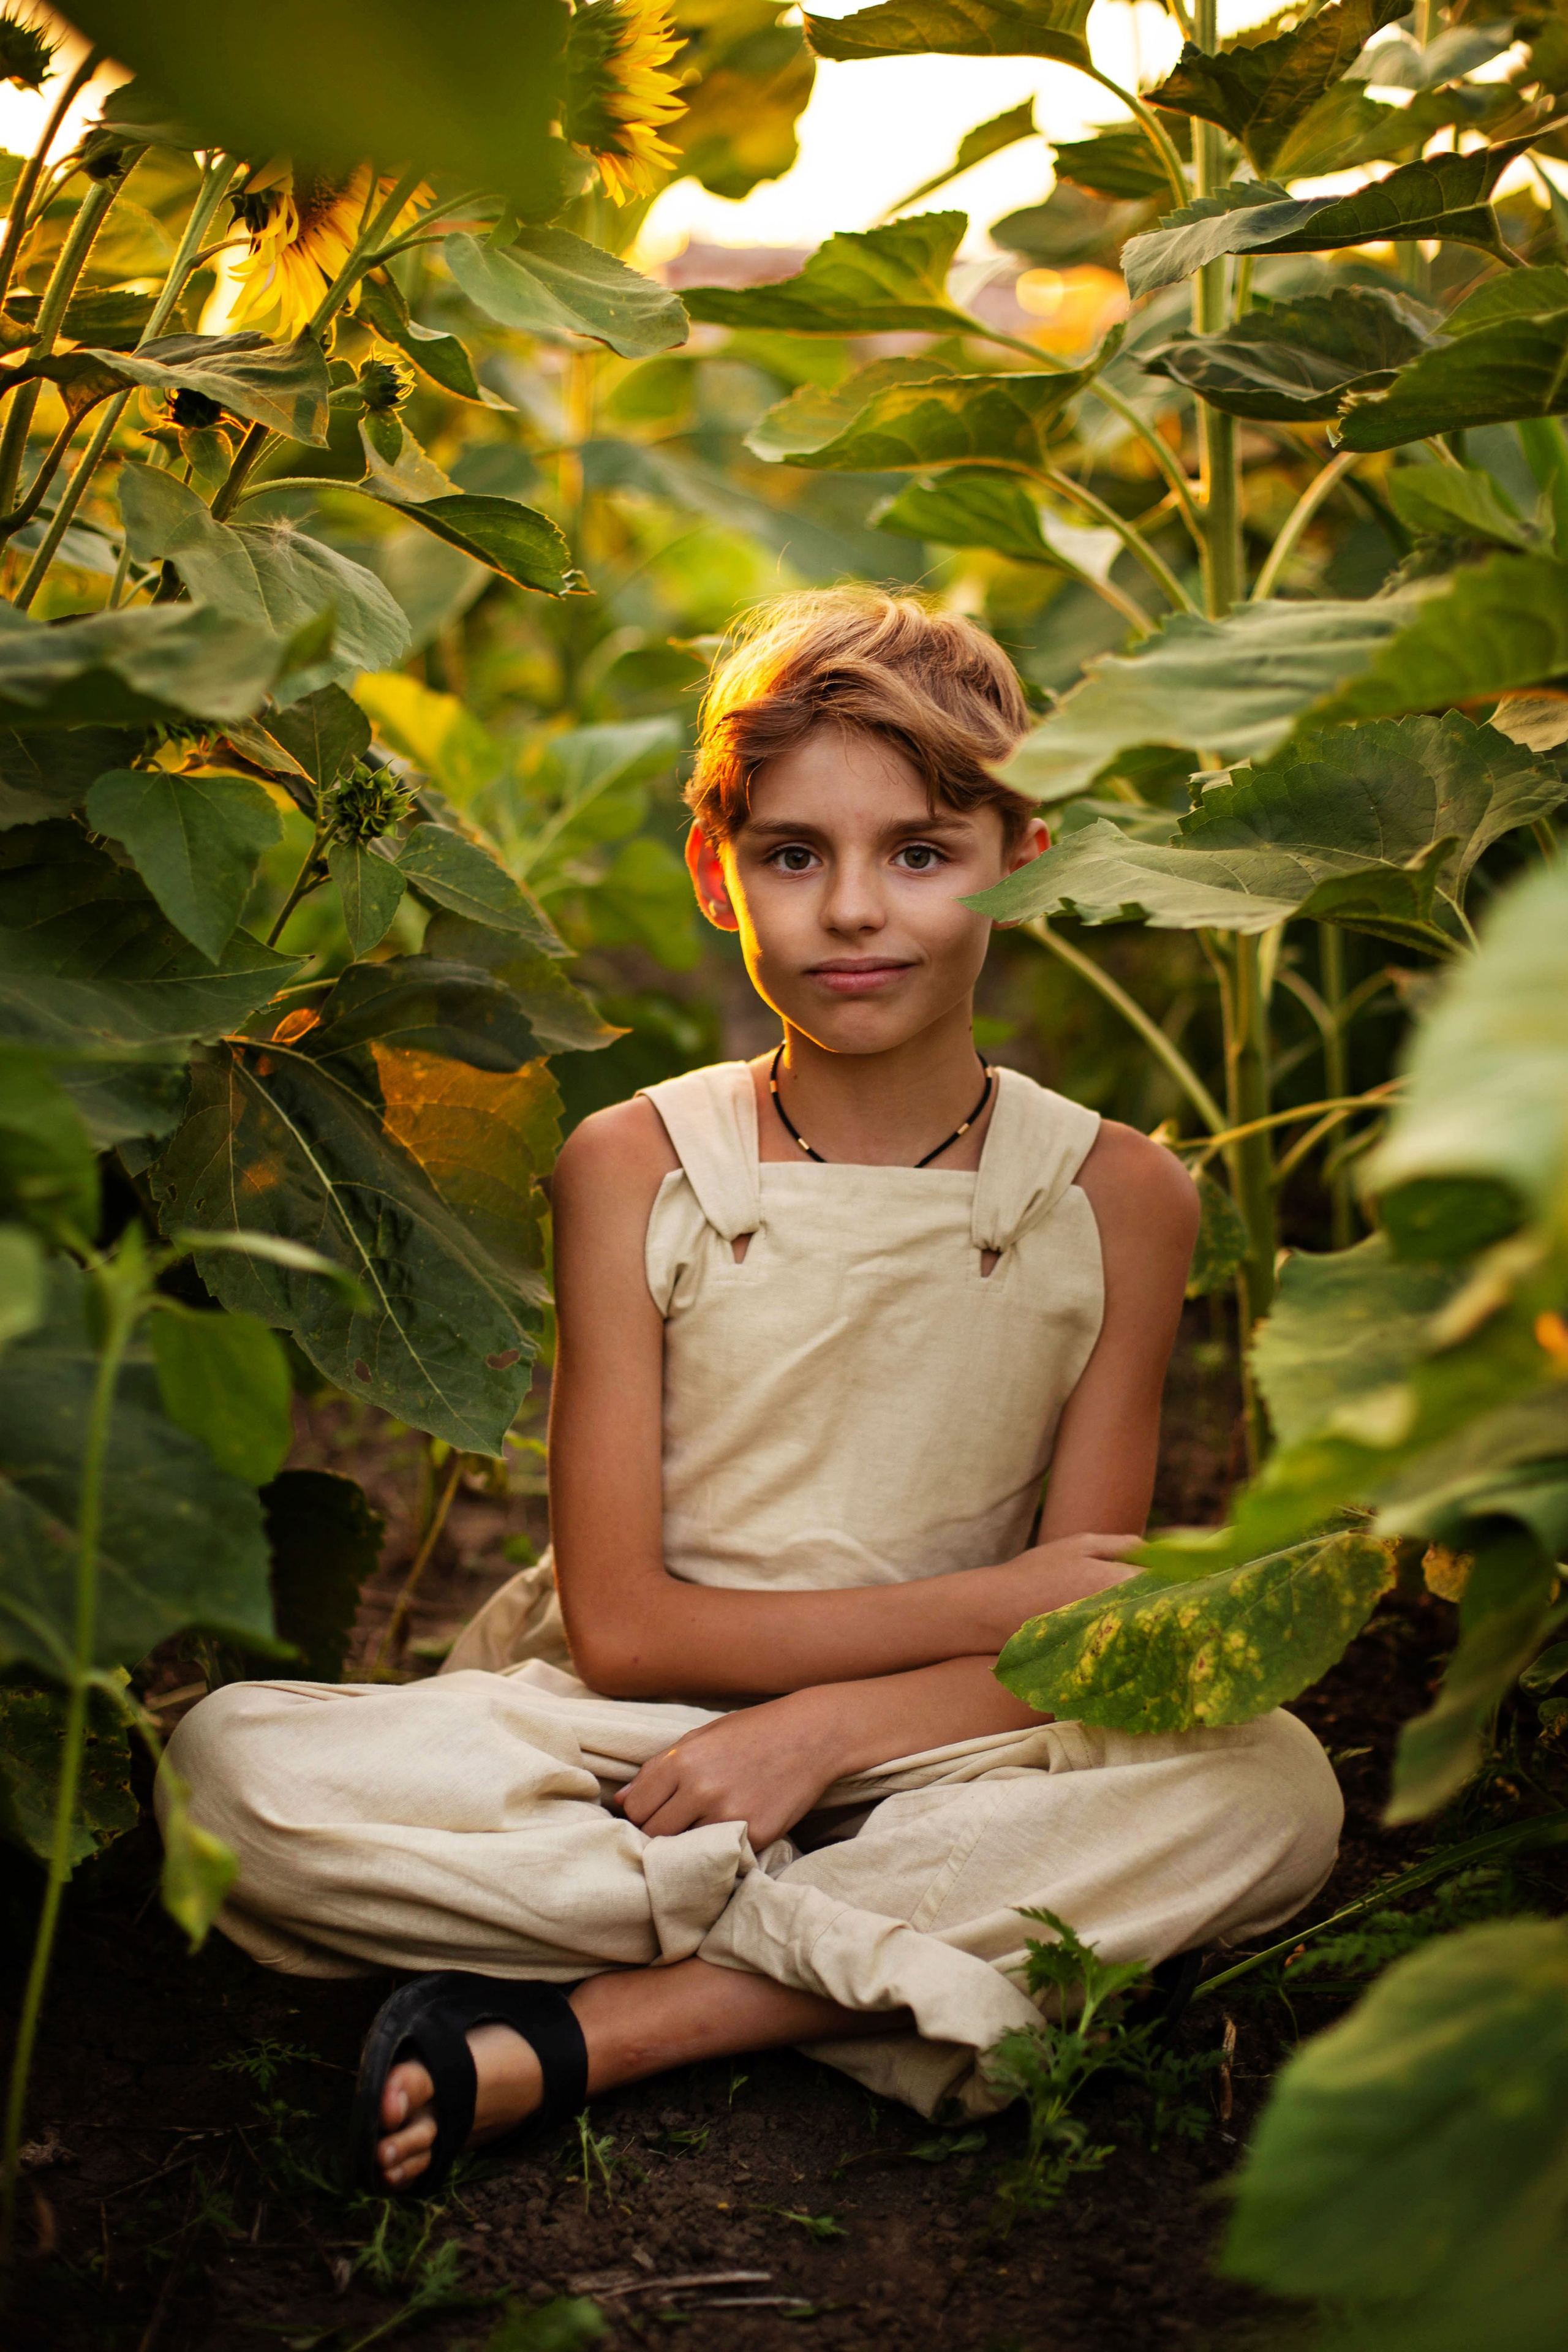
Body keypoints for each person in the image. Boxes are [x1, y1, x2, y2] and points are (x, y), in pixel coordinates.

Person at [165, 589, 1341, 2199]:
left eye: (921, 852)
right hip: (622, 1744)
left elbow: (1073, 1654)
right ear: (720, 876)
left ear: (1022, 853)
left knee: (1272, 1790)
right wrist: (969, 1615)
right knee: (229, 1776)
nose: (856, 910)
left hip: (949, 1748)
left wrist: (831, 1734)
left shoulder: (1120, 1195)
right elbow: (629, 1628)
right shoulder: (637, 1162)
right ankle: (895, 1952)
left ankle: (595, 2031)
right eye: (795, 855)